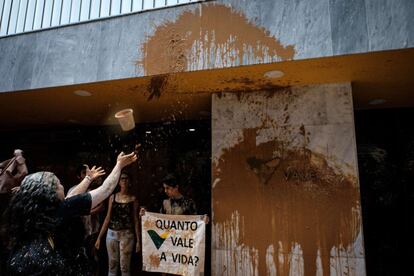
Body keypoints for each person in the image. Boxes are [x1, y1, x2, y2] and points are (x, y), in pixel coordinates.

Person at [3, 151, 137, 276]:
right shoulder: (60, 210)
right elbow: (106, 189)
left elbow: (72, 196)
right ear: (50, 193)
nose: (62, 186)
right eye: (59, 184)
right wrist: (119, 165)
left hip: (22, 263)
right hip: (49, 265)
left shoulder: (38, 210)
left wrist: (88, 179)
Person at [95, 172, 140, 276]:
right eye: (122, 179)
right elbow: (107, 218)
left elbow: (135, 220)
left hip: (127, 235)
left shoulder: (133, 199)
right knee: (112, 265)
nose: (124, 181)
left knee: (124, 267)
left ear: (130, 182)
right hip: (112, 234)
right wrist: (99, 237)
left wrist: (138, 241)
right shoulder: (113, 197)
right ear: (119, 182)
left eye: (126, 179)